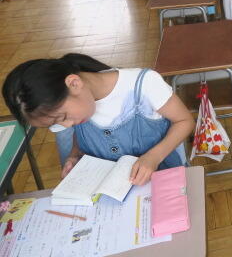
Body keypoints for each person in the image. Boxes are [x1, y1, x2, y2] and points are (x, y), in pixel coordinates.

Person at [2, 54, 194, 186]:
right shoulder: (80, 109)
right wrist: (75, 155)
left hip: (162, 182)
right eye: (56, 124)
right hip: (111, 192)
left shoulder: (143, 84)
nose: (67, 125)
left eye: (63, 117)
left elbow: (185, 121)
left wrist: (153, 157)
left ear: (74, 84)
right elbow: (81, 135)